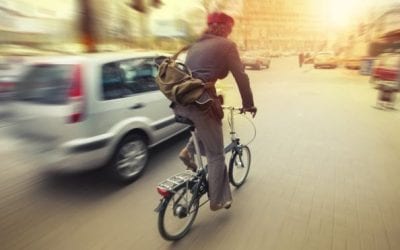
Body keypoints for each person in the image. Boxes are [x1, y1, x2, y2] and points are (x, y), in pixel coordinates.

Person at [172, 12, 257, 211]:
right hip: (202, 103)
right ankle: (218, 200)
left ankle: (188, 151)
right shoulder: (227, 46)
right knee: (216, 154)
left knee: (205, 129)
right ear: (225, 28)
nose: (231, 32)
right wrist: (249, 103)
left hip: (182, 102)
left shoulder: (196, 44)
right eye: (230, 28)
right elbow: (241, 77)